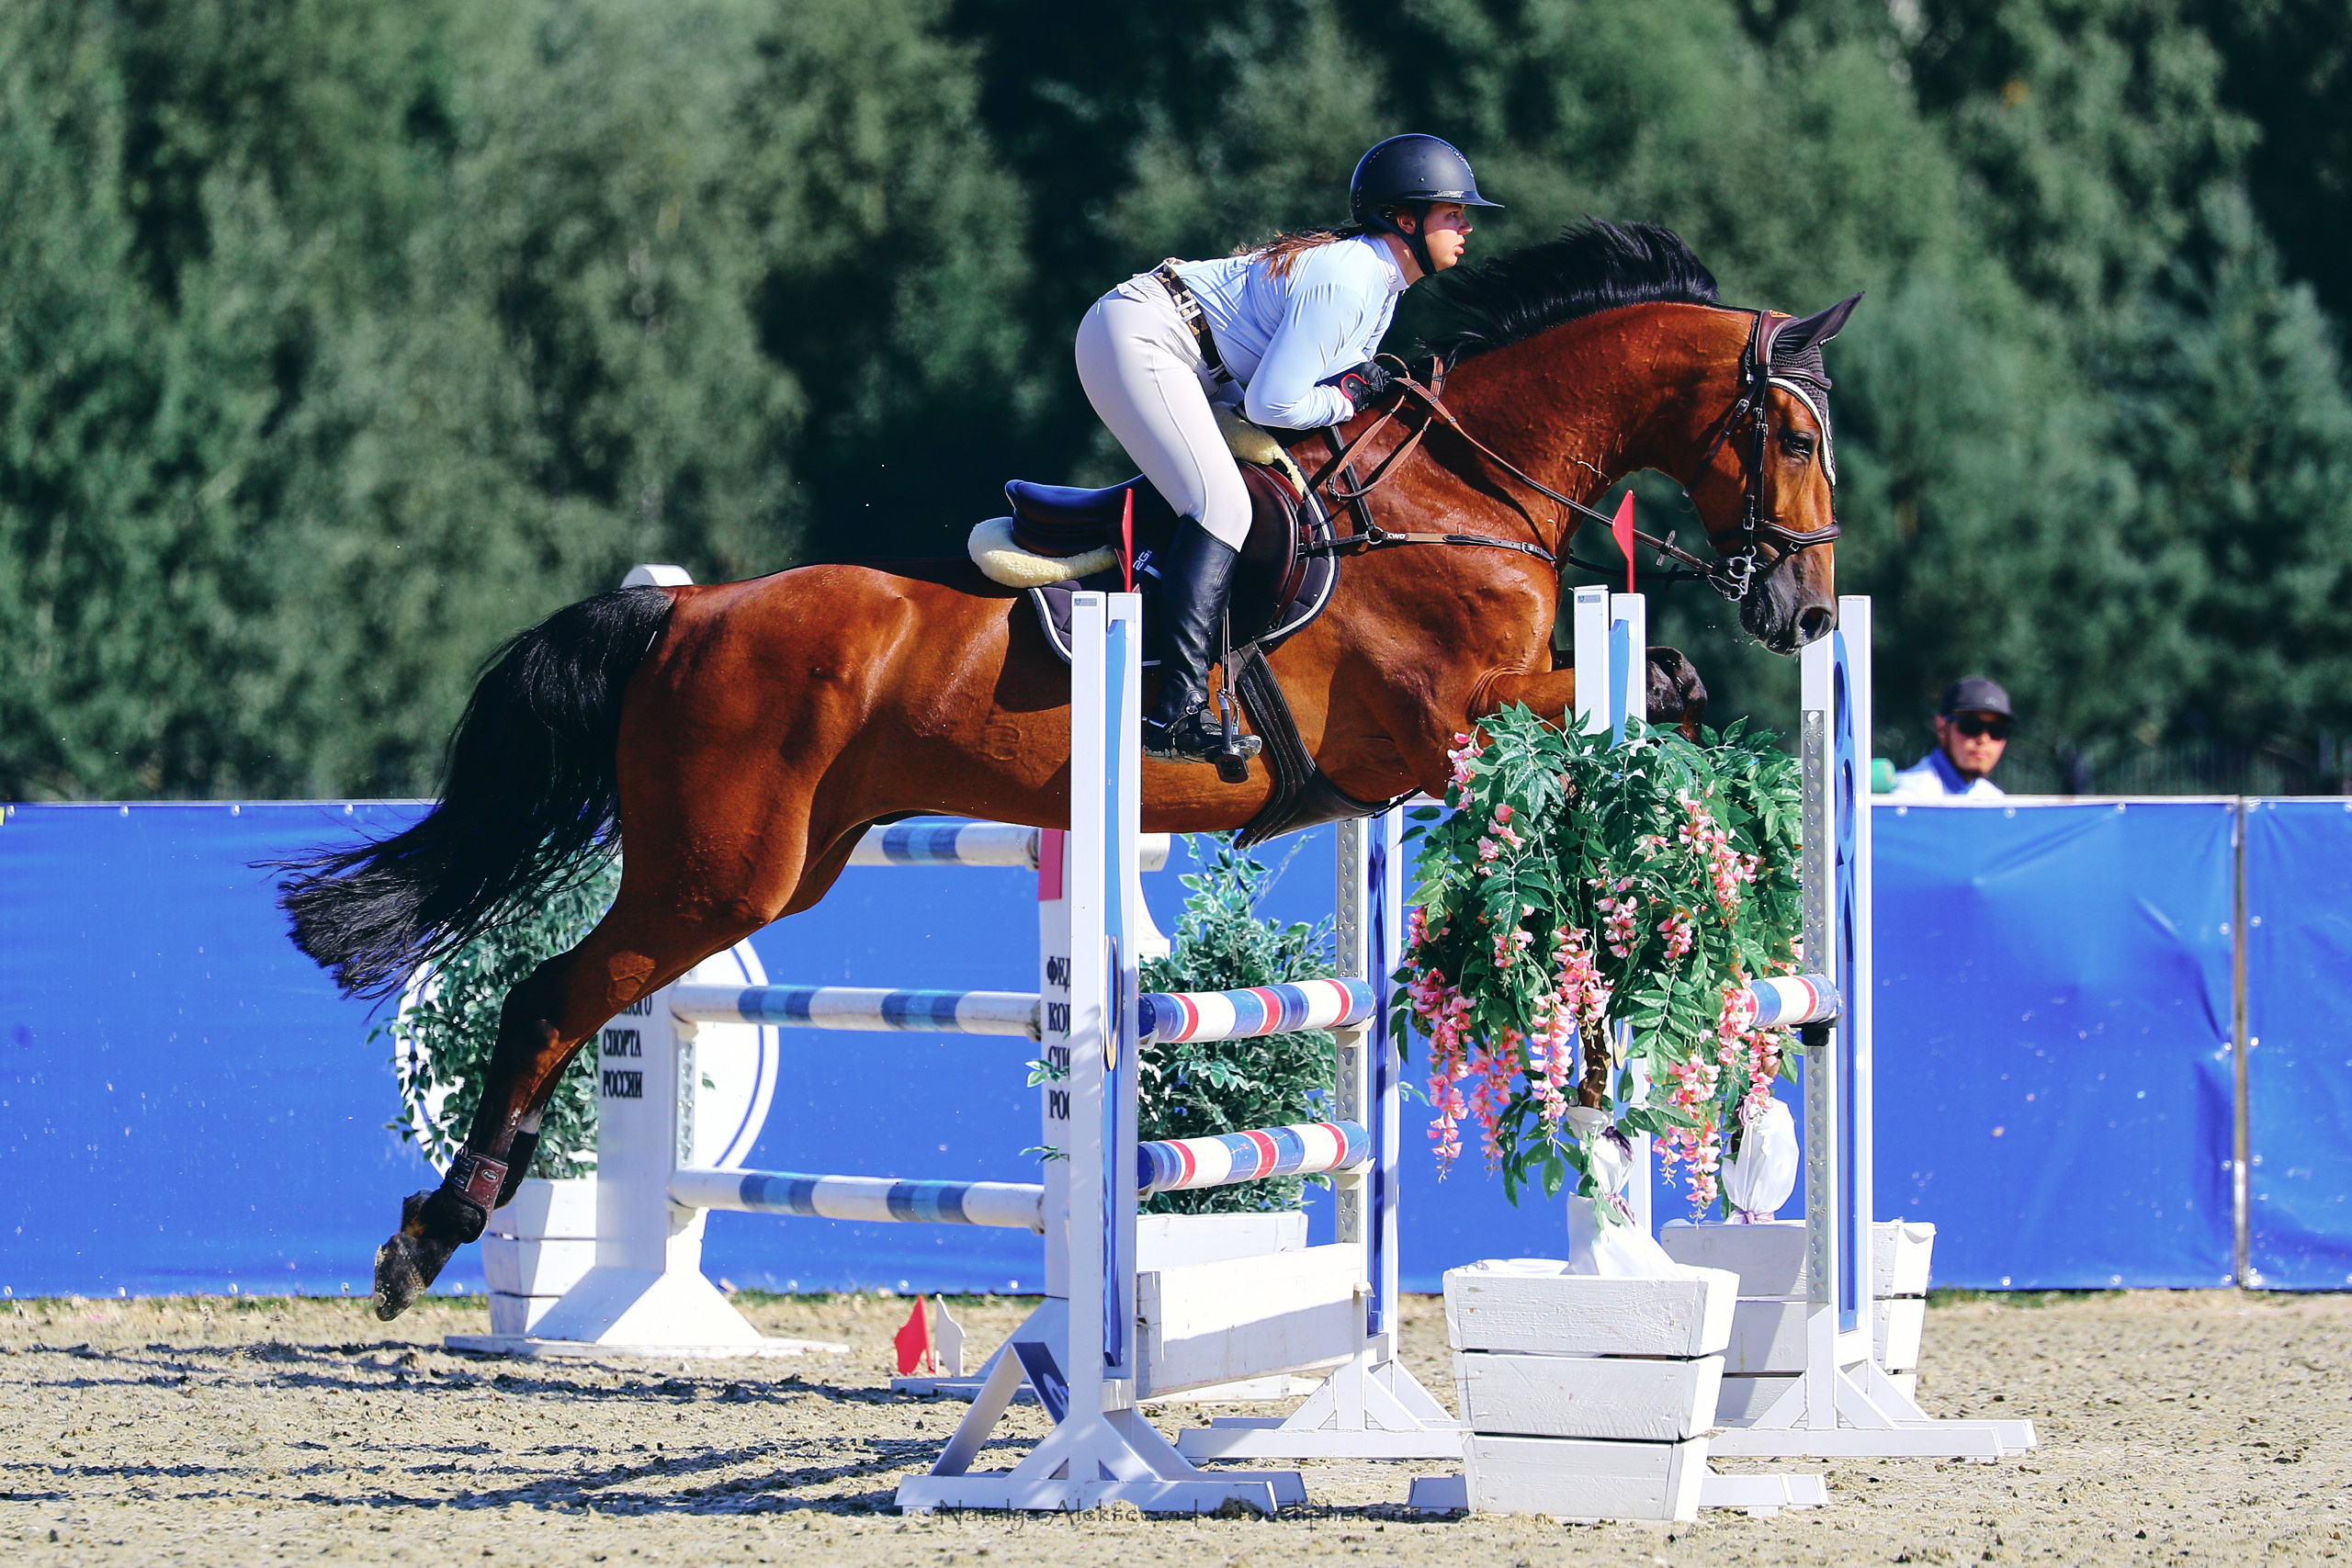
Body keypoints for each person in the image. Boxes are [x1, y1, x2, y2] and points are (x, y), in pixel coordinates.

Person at [1074, 133, 1500, 764]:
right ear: (1405, 220)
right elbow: (1273, 405)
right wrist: (1347, 399)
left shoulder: (1380, 282)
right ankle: (1176, 713)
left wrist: (1348, 394)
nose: (1465, 227)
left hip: (1186, 354)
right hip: (1143, 339)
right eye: (1453, 213)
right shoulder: (1353, 280)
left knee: (1239, 492)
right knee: (1222, 507)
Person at [1889, 677, 2013, 799]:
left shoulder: (1994, 799)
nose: (1984, 739)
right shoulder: (1907, 798)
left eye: (1997, 730)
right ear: (1942, 727)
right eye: (1971, 725)